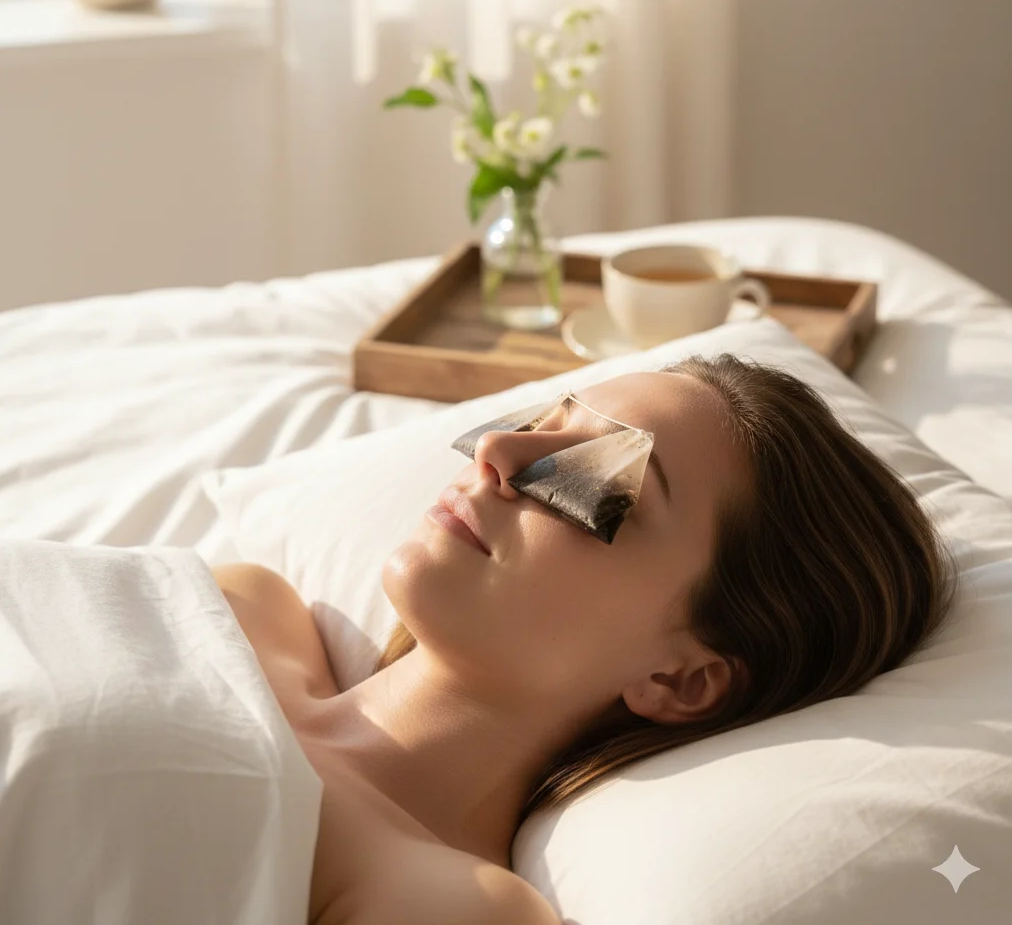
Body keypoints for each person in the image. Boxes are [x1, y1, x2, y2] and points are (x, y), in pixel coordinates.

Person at [212, 353, 958, 925]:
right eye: (543, 424)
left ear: (681, 680)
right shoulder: (244, 608)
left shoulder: (443, 903)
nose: (498, 452)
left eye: (595, 482)